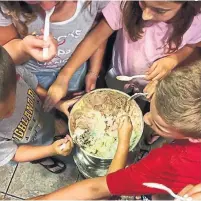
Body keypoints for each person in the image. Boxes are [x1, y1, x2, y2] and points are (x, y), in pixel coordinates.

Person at [32, 60, 201, 199]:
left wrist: (123, 140)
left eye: (160, 125)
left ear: (195, 138)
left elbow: (102, 189)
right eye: (151, 108)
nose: (145, 118)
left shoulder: (167, 164)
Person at [44, 1, 201, 111]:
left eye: (159, 10)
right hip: (119, 73)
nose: (145, 15)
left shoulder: (196, 22)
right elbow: (94, 40)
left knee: (139, 102)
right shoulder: (126, 4)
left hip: (152, 84)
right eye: (143, 3)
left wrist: (173, 60)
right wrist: (64, 77)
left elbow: (191, 45)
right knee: (114, 96)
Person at [0, 44, 78, 174]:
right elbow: (15, 154)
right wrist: (51, 150)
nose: (9, 115)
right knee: (39, 154)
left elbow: (35, 86)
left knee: (49, 129)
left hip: (42, 118)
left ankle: (51, 138)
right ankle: (44, 159)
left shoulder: (13, 74)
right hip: (28, 145)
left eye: (9, 108)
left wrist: (58, 104)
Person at [0, 1, 108, 92]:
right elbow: (5, 56)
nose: (48, 6)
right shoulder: (6, 5)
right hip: (33, 76)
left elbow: (98, 33)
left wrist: (93, 71)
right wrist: (22, 48)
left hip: (77, 67)